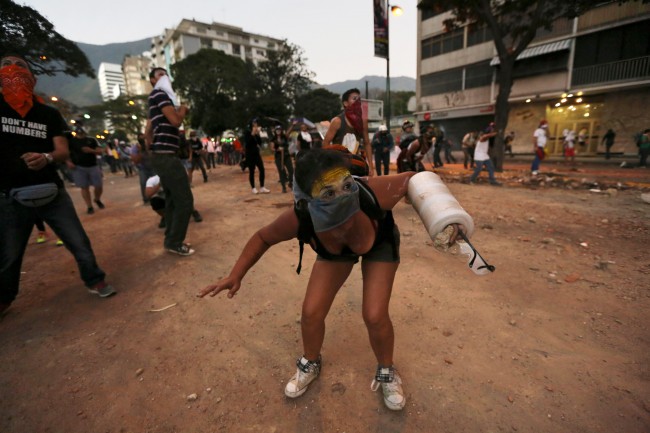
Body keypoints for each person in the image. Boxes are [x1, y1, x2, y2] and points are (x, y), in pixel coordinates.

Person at [199, 148, 462, 410]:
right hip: (333, 255)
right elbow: (263, 237)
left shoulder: (374, 192)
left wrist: (443, 216)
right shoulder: (299, 218)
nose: (345, 227)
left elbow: (416, 180)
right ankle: (310, 362)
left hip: (378, 243)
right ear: (311, 212)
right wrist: (236, 274)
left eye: (349, 217)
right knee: (311, 312)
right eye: (334, 222)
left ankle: (386, 370)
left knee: (374, 314)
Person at [0, 54, 116, 316]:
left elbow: (61, 151)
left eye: (20, 66)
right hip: (9, 196)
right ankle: (4, 297)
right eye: (7, 65)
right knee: (8, 254)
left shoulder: (48, 114)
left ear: (33, 78)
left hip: (50, 191)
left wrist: (46, 158)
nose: (13, 70)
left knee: (78, 241)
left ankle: (95, 279)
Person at [144, 67, 194, 256]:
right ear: (152, 80)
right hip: (166, 156)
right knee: (185, 201)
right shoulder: (160, 94)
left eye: (165, 73)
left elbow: (147, 130)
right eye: (159, 74)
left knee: (172, 200)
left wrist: (151, 146)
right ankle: (174, 241)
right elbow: (175, 121)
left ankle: (170, 239)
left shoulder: (154, 99)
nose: (164, 76)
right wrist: (182, 109)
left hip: (162, 155)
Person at [322, 88, 374, 175]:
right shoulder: (337, 121)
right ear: (345, 103)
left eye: (359, 99)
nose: (358, 102)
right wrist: (330, 163)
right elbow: (325, 144)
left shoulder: (363, 121)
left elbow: (367, 143)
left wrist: (371, 167)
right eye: (354, 99)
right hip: (339, 165)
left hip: (357, 163)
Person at [67, 127, 105, 214]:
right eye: (78, 133)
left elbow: (100, 151)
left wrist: (91, 150)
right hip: (78, 167)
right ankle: (89, 206)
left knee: (98, 185)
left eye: (82, 133)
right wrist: (68, 162)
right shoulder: (71, 142)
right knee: (84, 187)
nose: (80, 134)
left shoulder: (92, 140)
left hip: (93, 165)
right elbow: (67, 153)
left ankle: (97, 199)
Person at [243, 118, 269, 194]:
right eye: (254, 122)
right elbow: (247, 143)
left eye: (256, 122)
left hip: (256, 154)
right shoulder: (247, 132)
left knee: (262, 169)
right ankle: (253, 188)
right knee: (252, 171)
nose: (256, 124)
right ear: (251, 124)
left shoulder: (256, 132)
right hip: (249, 154)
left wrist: (258, 134)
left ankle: (262, 187)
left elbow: (260, 142)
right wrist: (253, 133)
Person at [130, 133, 156, 204]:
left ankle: (157, 197)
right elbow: (136, 161)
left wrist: (147, 149)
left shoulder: (151, 145)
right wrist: (140, 151)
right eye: (141, 139)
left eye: (144, 139)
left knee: (156, 182)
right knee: (143, 183)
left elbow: (154, 157)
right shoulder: (135, 148)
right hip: (143, 169)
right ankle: (146, 199)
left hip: (153, 167)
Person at [270, 125, 294, 193]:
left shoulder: (284, 137)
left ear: (281, 130)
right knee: (282, 172)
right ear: (275, 131)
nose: (278, 131)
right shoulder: (273, 139)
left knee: (291, 171)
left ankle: (291, 183)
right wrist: (277, 149)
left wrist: (293, 125)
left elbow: (289, 132)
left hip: (286, 156)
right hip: (278, 157)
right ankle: (283, 187)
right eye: (277, 130)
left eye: (279, 130)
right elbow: (272, 148)